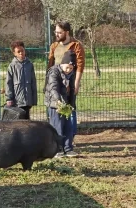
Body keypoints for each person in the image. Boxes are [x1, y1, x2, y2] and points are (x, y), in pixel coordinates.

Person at [47, 21, 85, 151]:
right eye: (56, 32)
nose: (57, 34)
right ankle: (58, 144)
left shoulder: (75, 45)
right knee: (56, 113)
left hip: (69, 81)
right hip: (56, 81)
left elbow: (80, 65)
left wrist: (76, 83)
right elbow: (50, 64)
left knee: (70, 112)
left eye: (59, 32)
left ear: (67, 32)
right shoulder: (54, 46)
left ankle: (69, 141)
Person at [45, 50, 78, 157]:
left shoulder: (71, 73)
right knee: (57, 126)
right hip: (55, 104)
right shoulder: (54, 72)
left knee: (68, 126)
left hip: (66, 104)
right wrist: (58, 101)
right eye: (67, 67)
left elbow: (72, 89)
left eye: (71, 68)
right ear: (62, 64)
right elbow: (53, 88)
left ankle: (68, 149)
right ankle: (57, 149)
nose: (68, 70)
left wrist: (72, 104)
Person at [5, 40, 37, 119]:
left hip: (28, 99)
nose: (21, 53)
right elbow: (8, 83)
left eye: (22, 51)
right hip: (17, 101)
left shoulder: (30, 65)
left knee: (27, 122)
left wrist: (34, 99)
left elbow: (33, 82)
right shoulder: (12, 66)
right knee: (18, 122)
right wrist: (9, 98)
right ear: (14, 53)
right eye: (18, 52)